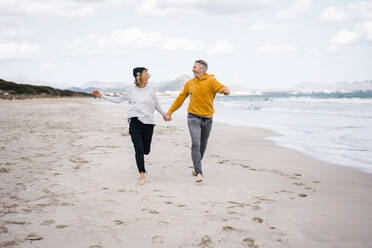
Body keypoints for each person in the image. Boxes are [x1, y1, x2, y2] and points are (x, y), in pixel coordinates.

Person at [92, 67, 167, 185]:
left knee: (146, 150)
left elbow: (156, 104)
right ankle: (142, 174)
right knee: (139, 149)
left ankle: (142, 162)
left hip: (149, 123)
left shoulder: (151, 90)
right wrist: (102, 95)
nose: (149, 76)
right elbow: (118, 100)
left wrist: (164, 114)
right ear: (140, 76)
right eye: (147, 74)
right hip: (135, 122)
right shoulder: (131, 90)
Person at [164, 60, 230, 182]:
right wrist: (170, 112)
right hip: (193, 117)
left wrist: (225, 90)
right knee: (196, 143)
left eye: (195, 67)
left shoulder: (211, 81)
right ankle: (199, 172)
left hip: (208, 119)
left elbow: (221, 88)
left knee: (203, 144)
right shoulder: (189, 83)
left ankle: (196, 167)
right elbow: (181, 98)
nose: (193, 69)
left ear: (202, 69)